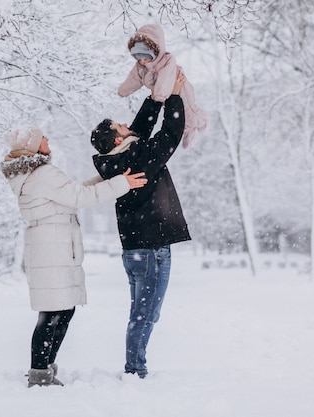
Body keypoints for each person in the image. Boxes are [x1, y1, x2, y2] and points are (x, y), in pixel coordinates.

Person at [0, 125, 148, 387]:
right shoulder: (43, 174)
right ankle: (39, 372)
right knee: (54, 312)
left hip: (48, 245)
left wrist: (108, 180)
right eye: (42, 137)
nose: (47, 138)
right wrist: (121, 183)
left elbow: (72, 191)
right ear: (33, 146)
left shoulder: (33, 174)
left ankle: (43, 368)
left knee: (60, 311)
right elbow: (81, 197)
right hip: (52, 247)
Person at [90, 69, 190, 379]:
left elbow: (140, 131)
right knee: (145, 315)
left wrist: (155, 97)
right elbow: (170, 135)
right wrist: (173, 95)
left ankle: (135, 367)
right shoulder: (138, 159)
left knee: (144, 313)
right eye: (120, 125)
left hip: (135, 251)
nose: (125, 125)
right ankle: (135, 371)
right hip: (151, 252)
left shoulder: (120, 160)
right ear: (118, 138)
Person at [118, 23, 207, 148]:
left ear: (155, 51)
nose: (142, 61)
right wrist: (123, 91)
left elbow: (166, 77)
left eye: (146, 57)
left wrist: (159, 95)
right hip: (164, 96)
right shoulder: (141, 67)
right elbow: (134, 79)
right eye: (138, 58)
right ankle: (187, 130)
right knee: (176, 115)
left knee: (188, 109)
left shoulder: (167, 60)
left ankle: (201, 122)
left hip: (180, 88)